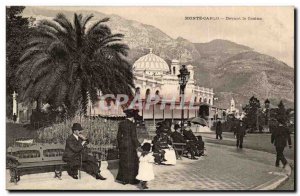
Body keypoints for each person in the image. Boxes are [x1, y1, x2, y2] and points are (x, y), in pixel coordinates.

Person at [116, 109, 140, 185]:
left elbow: (118, 136)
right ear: (132, 117)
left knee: (123, 161)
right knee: (132, 162)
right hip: (130, 146)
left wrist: (120, 144)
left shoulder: (121, 123)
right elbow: (134, 137)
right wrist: (138, 145)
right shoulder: (132, 125)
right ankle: (132, 180)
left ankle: (123, 180)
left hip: (123, 145)